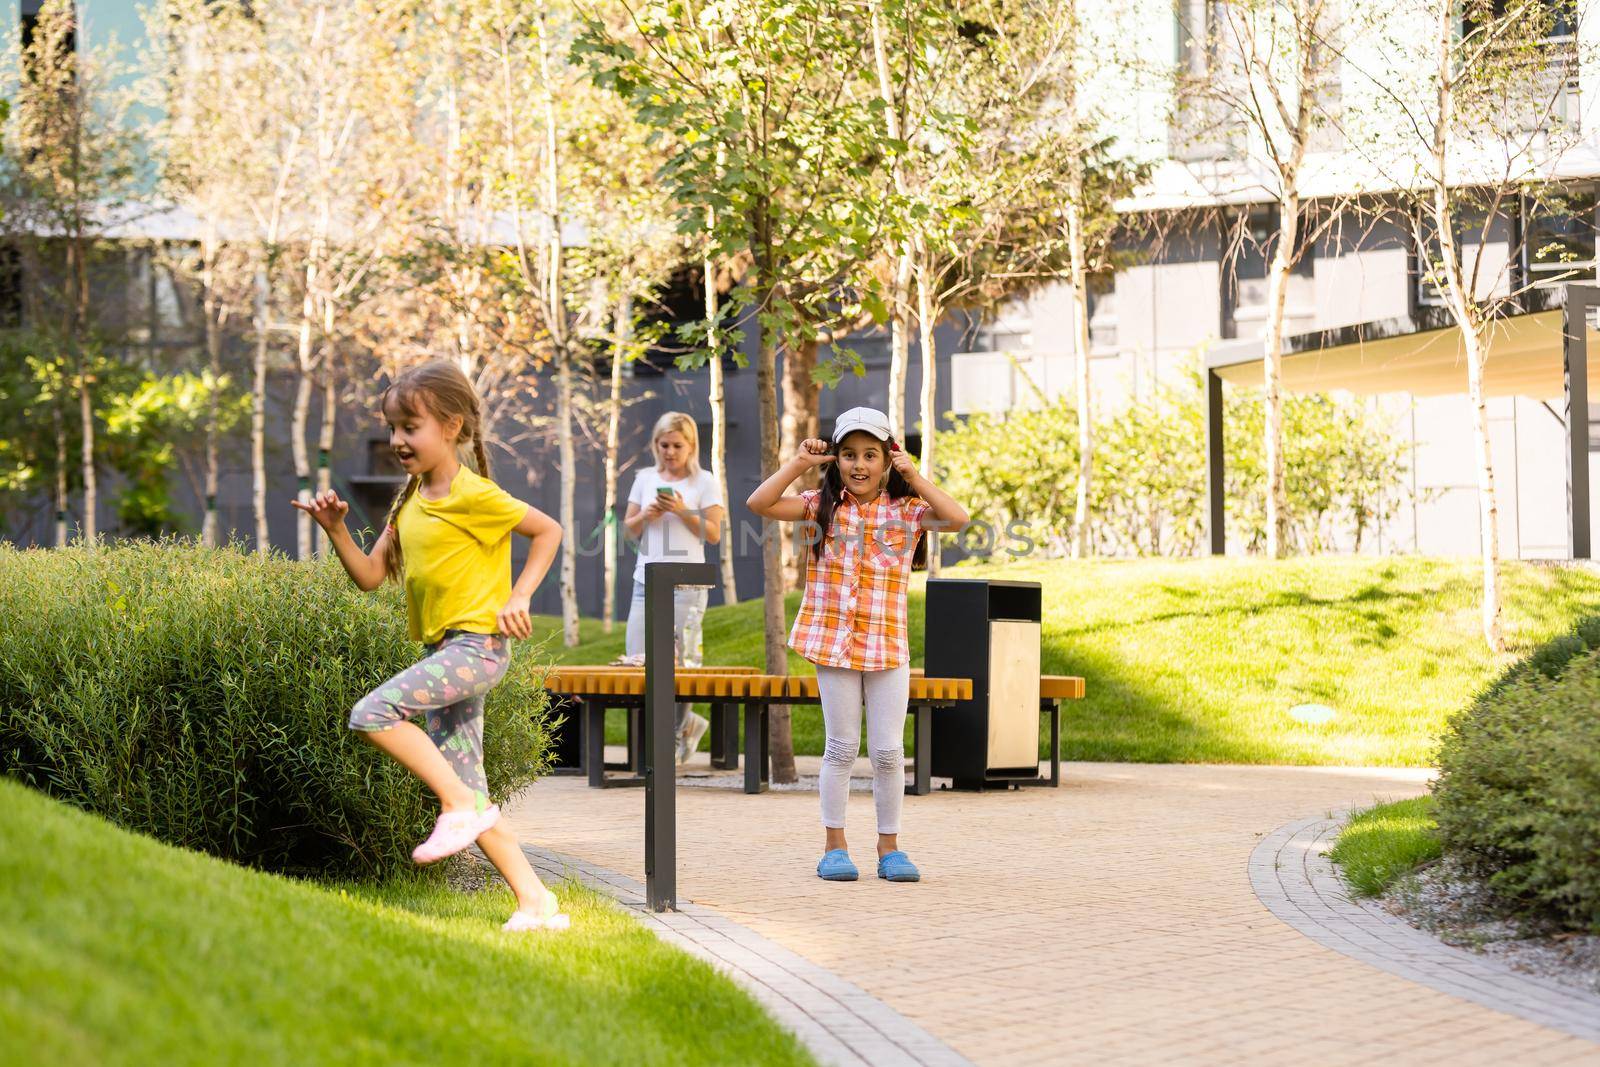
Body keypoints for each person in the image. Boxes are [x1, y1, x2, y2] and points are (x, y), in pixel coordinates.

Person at [292, 360, 568, 932]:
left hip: (478, 648)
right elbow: (370, 576)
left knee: (373, 713)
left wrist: (519, 597)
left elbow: (549, 531)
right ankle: (536, 900)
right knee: (469, 781)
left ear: (451, 425)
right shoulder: (412, 499)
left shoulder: (475, 495)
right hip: (445, 651)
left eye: (409, 427)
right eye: (392, 428)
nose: (396, 441)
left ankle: (457, 807)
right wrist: (337, 530)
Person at [746, 406, 968, 883]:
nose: (859, 464)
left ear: (887, 461)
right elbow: (759, 504)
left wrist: (913, 472)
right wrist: (799, 464)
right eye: (849, 455)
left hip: (887, 644)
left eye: (871, 455)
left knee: (888, 752)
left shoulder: (907, 511)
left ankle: (890, 848)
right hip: (834, 643)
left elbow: (957, 518)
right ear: (838, 460)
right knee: (842, 747)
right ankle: (835, 846)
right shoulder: (818, 506)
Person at [621, 412, 725, 764]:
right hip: (644, 580)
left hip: (687, 583)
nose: (669, 452)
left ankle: (678, 733)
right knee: (638, 660)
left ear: (691, 445)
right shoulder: (644, 479)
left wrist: (681, 510)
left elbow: (712, 533)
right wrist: (647, 515)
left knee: (680, 665)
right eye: (663, 445)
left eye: (677, 445)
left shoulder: (705, 481)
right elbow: (628, 530)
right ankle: (654, 744)